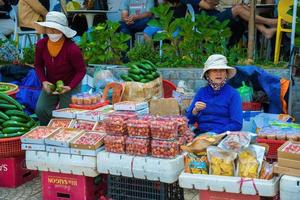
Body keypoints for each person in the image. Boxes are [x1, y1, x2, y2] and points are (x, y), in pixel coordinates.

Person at [34, 11, 86, 125]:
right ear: (46, 29)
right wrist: (43, 81)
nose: (52, 32)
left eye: (56, 29)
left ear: (63, 30)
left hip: (70, 83)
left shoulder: (72, 49)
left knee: (66, 114)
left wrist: (70, 86)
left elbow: (81, 71)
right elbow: (38, 65)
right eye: (49, 28)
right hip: (51, 82)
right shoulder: (41, 45)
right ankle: (50, 129)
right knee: (41, 109)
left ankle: (64, 132)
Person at [186, 54, 243, 134]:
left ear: (226, 73)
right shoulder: (201, 92)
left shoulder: (233, 94)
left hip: (224, 136)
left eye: (222, 70)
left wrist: (214, 133)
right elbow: (188, 121)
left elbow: (237, 124)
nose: (218, 73)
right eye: (214, 70)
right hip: (202, 135)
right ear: (207, 74)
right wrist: (195, 111)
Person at [182, 0, 278, 40]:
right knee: (238, 9)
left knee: (242, 7)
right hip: (207, 22)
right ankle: (270, 22)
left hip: (216, 15)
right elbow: (207, 5)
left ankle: (265, 30)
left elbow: (215, 2)